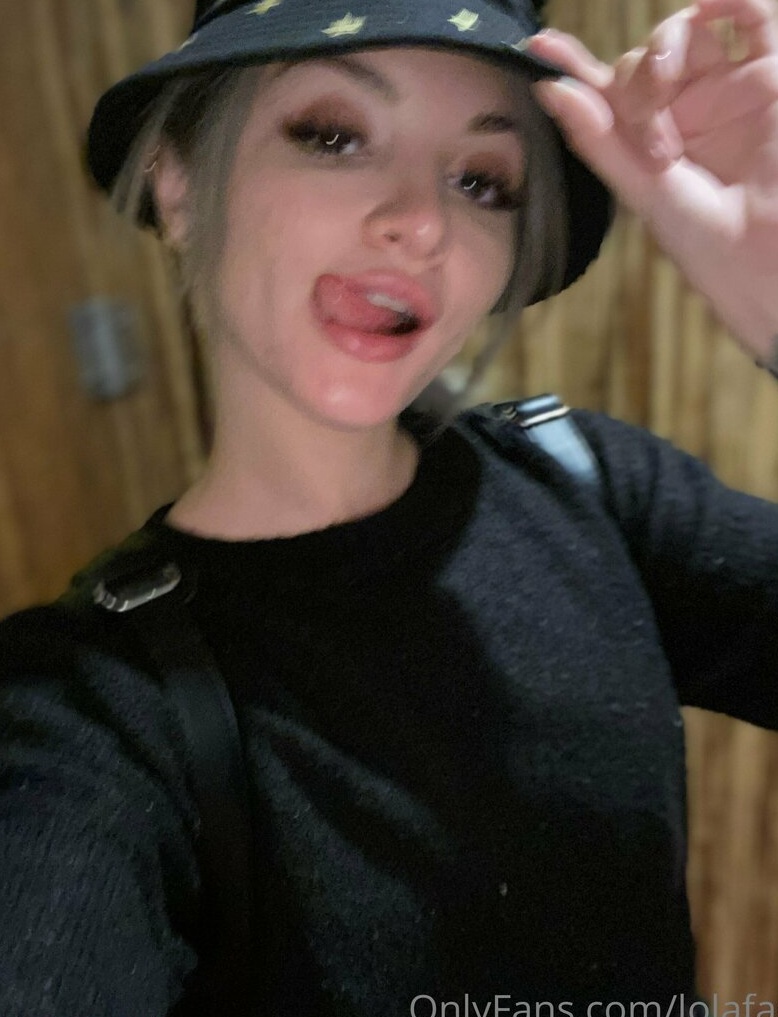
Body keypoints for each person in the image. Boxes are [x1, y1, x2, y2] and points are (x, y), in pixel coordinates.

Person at [1, 0, 778, 1014]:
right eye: (333, 135)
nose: (423, 221)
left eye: (482, 180)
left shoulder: (596, 489)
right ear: (180, 184)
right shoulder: (82, 709)